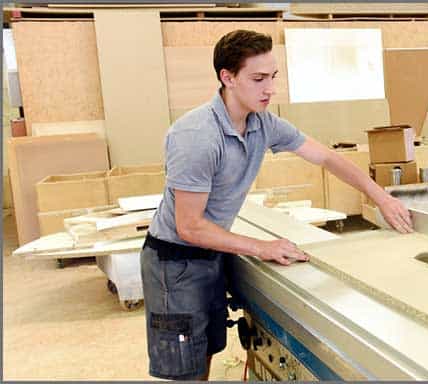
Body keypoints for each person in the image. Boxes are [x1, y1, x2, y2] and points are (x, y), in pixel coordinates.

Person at [140, 29, 413, 381]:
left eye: (273, 77)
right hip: (174, 263)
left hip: (211, 252)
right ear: (228, 77)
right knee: (183, 369)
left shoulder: (263, 123)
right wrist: (261, 247)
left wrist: (382, 197)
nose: (270, 89)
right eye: (258, 79)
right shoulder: (196, 137)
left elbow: (327, 158)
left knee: (206, 349)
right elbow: (188, 226)